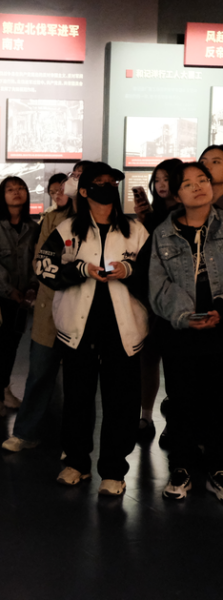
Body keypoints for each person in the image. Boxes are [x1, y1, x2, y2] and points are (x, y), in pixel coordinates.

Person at [35, 162, 148, 495]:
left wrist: (128, 270)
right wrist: (80, 269)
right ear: (84, 191)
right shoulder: (67, 228)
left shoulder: (135, 230)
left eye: (112, 182)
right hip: (78, 329)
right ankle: (77, 463)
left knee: (121, 401)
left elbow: (152, 274)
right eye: (99, 182)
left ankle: (113, 470)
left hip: (124, 329)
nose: (107, 187)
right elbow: (43, 267)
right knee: (78, 398)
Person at [149, 161, 223, 501]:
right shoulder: (163, 233)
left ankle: (217, 467)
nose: (198, 187)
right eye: (188, 183)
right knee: (181, 400)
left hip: (220, 328)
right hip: (179, 330)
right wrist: (184, 315)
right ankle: (181, 467)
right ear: (177, 194)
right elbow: (158, 284)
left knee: (218, 398)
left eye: (202, 180)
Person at [2, 168, 80, 452]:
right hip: (50, 303)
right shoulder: (52, 219)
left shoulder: (101, 219)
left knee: (79, 381)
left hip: (83, 308)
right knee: (39, 371)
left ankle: (74, 443)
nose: (66, 188)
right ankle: (26, 432)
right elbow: (41, 260)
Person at [0, 177, 38, 421]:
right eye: (10, 189)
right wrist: (8, 289)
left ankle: (4, 390)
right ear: (1, 196)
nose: (17, 192)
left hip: (24, 298)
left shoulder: (33, 228)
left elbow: (38, 259)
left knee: (13, 344)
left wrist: (32, 286)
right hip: (0, 296)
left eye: (21, 188)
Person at [132, 159, 181, 441]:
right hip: (150, 296)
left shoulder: (185, 214)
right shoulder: (154, 214)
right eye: (158, 179)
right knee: (148, 357)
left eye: (167, 178)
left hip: (177, 297)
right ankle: (146, 416)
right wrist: (144, 218)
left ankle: (176, 421)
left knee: (176, 363)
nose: (161, 185)